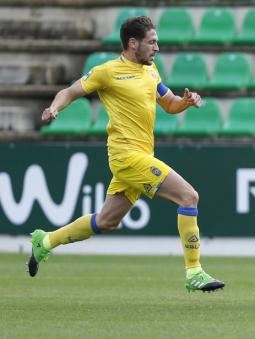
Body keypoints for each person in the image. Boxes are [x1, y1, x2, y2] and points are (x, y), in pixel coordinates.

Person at [27, 16, 224, 293]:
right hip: (126, 156)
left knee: (107, 220)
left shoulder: (151, 70)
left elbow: (168, 103)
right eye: (152, 42)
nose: (157, 47)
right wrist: (55, 107)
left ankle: (45, 241)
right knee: (189, 196)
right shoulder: (108, 72)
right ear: (133, 43)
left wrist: (186, 103)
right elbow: (70, 91)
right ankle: (194, 272)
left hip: (140, 154)